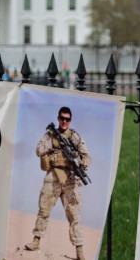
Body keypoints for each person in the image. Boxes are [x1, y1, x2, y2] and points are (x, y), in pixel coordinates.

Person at [25, 107, 92, 260]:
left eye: (67, 119)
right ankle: (36, 241)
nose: (64, 121)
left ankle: (79, 251)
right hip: (53, 176)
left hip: (69, 179)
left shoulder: (75, 137)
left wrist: (81, 169)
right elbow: (38, 150)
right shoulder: (50, 135)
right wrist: (54, 144)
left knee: (74, 215)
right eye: (62, 118)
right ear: (58, 118)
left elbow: (87, 156)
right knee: (44, 210)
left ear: (70, 120)